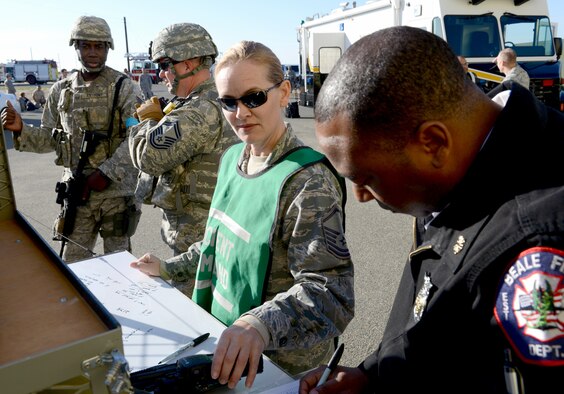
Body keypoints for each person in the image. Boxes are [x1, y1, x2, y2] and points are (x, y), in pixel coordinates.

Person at [300, 26, 564, 393]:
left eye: (367, 177)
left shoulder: (539, 239)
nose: (359, 195)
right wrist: (374, 376)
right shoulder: (454, 170)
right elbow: (434, 322)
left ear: (434, 142)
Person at [130, 40, 354, 389]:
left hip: (279, 368)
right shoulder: (234, 159)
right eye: (228, 102)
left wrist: (259, 325)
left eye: (253, 97)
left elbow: (331, 293)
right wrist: (168, 268)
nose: (240, 113)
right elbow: (219, 244)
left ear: (283, 93)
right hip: (222, 349)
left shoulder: (307, 182)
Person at [1, 15, 143, 262]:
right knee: (73, 265)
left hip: (116, 195)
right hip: (78, 195)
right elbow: (48, 137)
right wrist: (21, 129)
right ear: (76, 47)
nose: (92, 52)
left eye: (99, 46)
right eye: (85, 45)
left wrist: (106, 173)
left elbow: (136, 137)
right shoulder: (61, 90)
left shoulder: (124, 87)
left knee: (120, 268)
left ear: (108, 48)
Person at [128, 23, 239, 286]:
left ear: (188, 64)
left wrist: (141, 125)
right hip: (208, 234)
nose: (161, 74)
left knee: (197, 318)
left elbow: (147, 156)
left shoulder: (197, 111)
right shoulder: (213, 99)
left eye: (165, 65)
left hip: (197, 241)